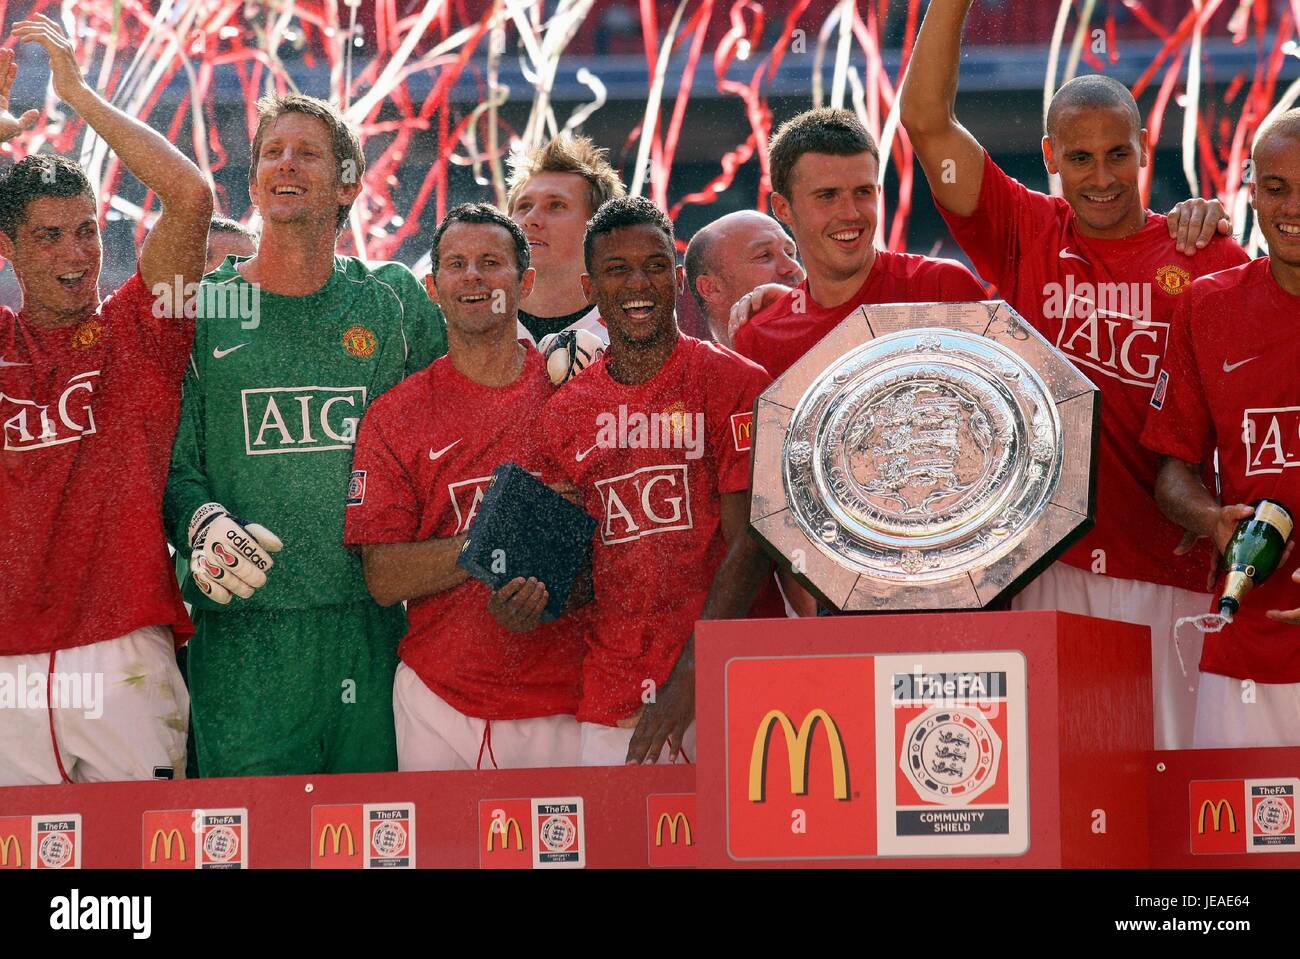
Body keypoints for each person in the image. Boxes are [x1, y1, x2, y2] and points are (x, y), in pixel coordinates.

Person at [899, 0, 1250, 749]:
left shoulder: (1210, 257)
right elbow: (926, 120)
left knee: (1168, 788)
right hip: (1045, 566)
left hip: (1173, 568)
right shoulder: (1023, 231)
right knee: (1063, 790)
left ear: (1145, 147)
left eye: (1118, 154)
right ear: (1050, 154)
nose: (1101, 178)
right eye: (1081, 158)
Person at [163, 93, 446, 777]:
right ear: (254, 180)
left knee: (379, 846)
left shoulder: (394, 301)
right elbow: (172, 470)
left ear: (349, 182)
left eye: (308, 152)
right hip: (243, 639)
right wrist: (202, 523)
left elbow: (470, 402)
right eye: (272, 153)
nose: (286, 164)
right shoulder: (205, 308)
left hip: (370, 629)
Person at [0, 15, 212, 785]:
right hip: (4, 672)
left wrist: (78, 95)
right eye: (49, 235)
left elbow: (191, 197)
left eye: (86, 230)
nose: (77, 253)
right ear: (8, 247)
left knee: (141, 874)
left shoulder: (142, 331)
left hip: (125, 651)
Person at [533, 196, 774, 765]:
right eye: (617, 270)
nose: (638, 283)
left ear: (678, 277)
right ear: (591, 289)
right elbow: (577, 569)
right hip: (613, 699)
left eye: (654, 265)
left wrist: (693, 671)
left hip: (723, 686)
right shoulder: (564, 412)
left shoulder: (734, 382)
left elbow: (752, 540)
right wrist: (531, 596)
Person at [345, 204, 586, 769]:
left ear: (525, 282)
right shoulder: (396, 415)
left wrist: (544, 583)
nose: (472, 276)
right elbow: (383, 579)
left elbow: (609, 550)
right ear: (432, 287)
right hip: (437, 702)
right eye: (455, 264)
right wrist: (498, 539)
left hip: (561, 701)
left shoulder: (573, 398)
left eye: (490, 262)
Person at [1143, 109, 1300, 749]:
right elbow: (1172, 472)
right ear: (1251, 188)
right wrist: (1209, 519)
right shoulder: (1208, 305)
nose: (1293, 207)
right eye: (1277, 187)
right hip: (1244, 650)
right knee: (1238, 850)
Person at [729, 108, 988, 379]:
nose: (851, 213)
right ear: (783, 208)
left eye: (862, 192)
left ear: (877, 193)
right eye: (828, 196)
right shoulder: (760, 337)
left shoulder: (940, 288)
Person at [506, 135, 624, 346]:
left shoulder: (632, 335)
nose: (530, 219)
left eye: (556, 205)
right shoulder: (470, 324)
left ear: (598, 229)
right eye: (524, 206)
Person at [683, 210, 803, 348]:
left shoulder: (832, 338)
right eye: (764, 255)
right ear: (712, 288)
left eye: (790, 253)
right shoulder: (701, 367)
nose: (793, 266)